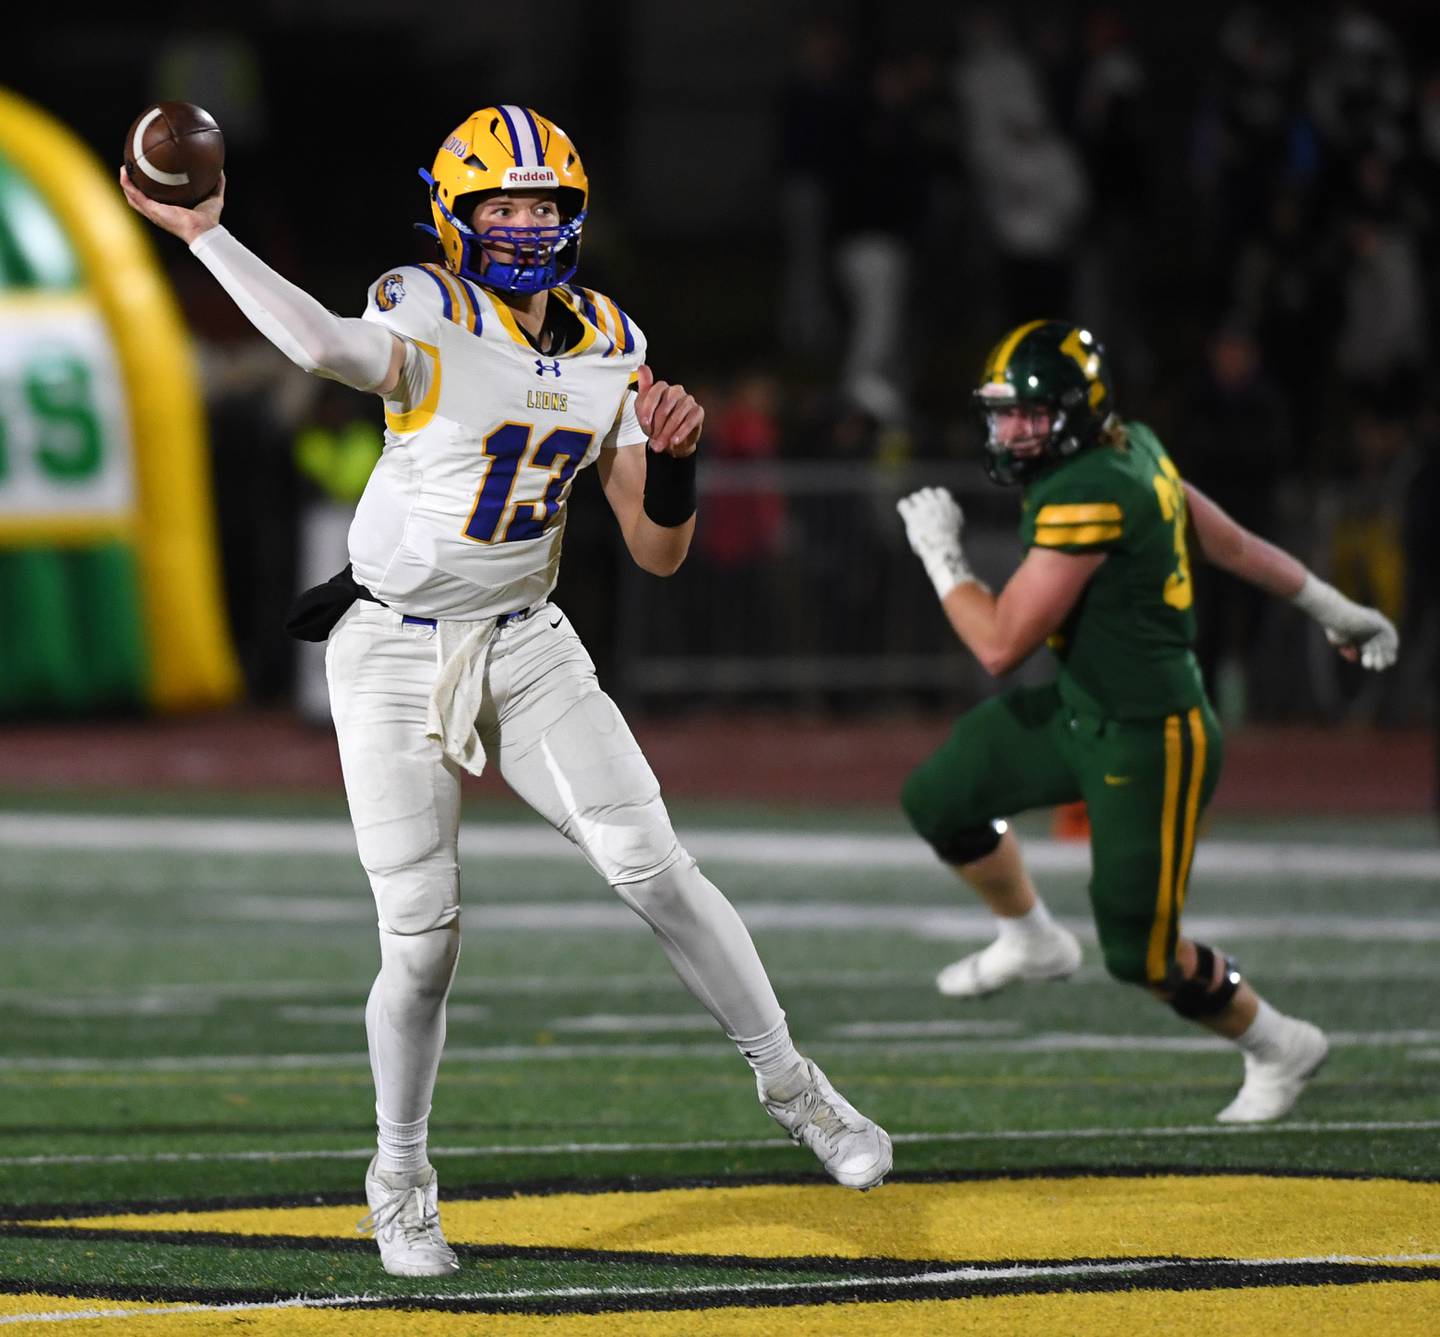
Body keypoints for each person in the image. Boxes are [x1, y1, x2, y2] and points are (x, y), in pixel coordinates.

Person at [120, 104, 891, 1278]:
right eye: (504, 205)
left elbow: (659, 549)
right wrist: (206, 237)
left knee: (653, 864)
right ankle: (401, 1173)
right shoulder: (421, 304)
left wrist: (676, 464)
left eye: (545, 205)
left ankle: (798, 1087)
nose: (527, 224)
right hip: (387, 647)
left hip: (528, 639)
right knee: (423, 943)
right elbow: (328, 349)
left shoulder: (610, 339)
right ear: (455, 216)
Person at [895, 319, 1398, 1125]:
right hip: (1082, 708)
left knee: (1143, 953)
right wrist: (1334, 607)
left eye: (1031, 414)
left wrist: (940, 554)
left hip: (1151, 734)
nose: (1011, 430)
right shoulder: (1132, 446)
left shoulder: (1090, 489)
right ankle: (1029, 936)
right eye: (1004, 412)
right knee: (942, 795)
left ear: (1077, 412)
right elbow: (1228, 541)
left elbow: (997, 644)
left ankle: (1278, 1042)